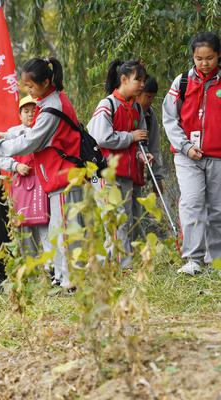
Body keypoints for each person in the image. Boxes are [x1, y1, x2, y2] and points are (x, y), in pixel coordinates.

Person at [0, 57, 83, 289]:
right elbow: (32, 134)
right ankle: (63, 279)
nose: (29, 91)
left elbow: (31, 142)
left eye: (31, 86)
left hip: (63, 176)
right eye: (26, 86)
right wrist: (8, 136)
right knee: (58, 231)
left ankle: (71, 282)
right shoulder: (51, 101)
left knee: (64, 232)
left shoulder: (52, 108)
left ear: (45, 82)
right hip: (57, 177)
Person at [162, 31, 221, 275]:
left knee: (218, 208)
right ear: (193, 57)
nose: (204, 63)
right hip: (188, 156)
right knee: (193, 202)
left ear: (218, 55)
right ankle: (194, 259)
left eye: (209, 58)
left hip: (217, 157)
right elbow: (169, 118)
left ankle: (216, 259)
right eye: (199, 58)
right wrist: (186, 146)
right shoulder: (182, 82)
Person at [87, 59, 151, 269]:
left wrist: (144, 155)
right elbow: (101, 137)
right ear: (123, 79)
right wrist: (130, 137)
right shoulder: (107, 105)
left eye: (143, 79)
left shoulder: (137, 108)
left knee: (127, 219)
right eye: (137, 79)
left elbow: (140, 139)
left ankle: (115, 265)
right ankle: (121, 267)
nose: (142, 84)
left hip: (127, 172)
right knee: (115, 220)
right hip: (105, 173)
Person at [0, 95, 50, 257]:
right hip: (21, 186)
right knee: (24, 226)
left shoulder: (44, 130)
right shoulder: (13, 133)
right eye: (26, 111)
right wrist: (16, 165)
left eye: (34, 111)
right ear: (20, 115)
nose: (30, 114)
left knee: (46, 225)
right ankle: (31, 268)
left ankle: (52, 268)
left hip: (43, 185)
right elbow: (2, 157)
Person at [134, 75, 164, 237]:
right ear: (138, 93)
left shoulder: (150, 115)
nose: (150, 101)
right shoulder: (126, 110)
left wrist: (157, 178)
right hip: (123, 169)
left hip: (143, 171)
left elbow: (155, 147)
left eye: (153, 97)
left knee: (144, 211)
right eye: (148, 97)